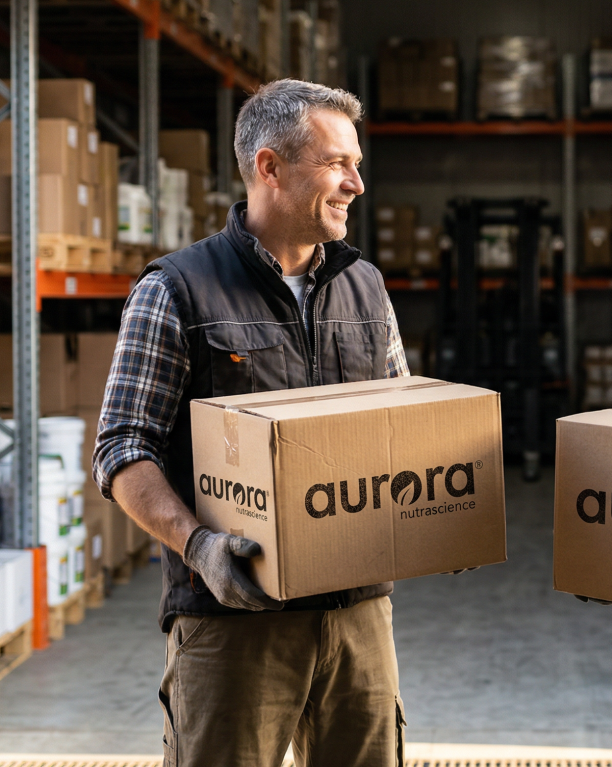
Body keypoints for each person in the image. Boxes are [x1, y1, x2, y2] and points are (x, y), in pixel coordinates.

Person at [93, 80, 410, 767]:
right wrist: (198, 544)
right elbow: (122, 448)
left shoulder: (366, 288)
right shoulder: (176, 289)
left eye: (357, 163)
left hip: (358, 618)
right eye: (337, 164)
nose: (357, 183)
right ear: (269, 166)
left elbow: (400, 430)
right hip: (233, 620)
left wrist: (431, 517)